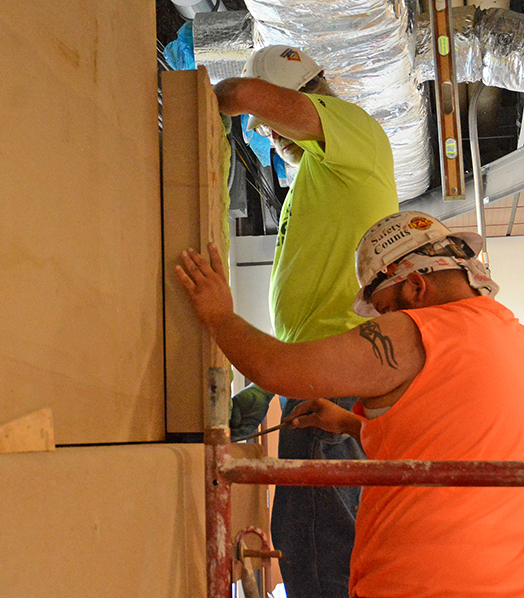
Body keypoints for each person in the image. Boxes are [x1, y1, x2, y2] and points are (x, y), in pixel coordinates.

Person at [175, 210, 524, 597]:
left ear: (415, 288)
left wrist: (220, 315)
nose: (388, 318)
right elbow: (458, 444)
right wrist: (350, 424)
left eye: (387, 308)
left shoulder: (418, 330)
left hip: (417, 582)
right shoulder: (512, 338)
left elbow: (276, 368)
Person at [213, 45, 399, 598]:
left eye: (270, 128)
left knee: (318, 555)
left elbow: (243, 95)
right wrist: (272, 381)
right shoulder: (322, 170)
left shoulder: (355, 133)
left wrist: (206, 102)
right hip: (317, 382)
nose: (269, 139)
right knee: (311, 543)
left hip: (332, 385)